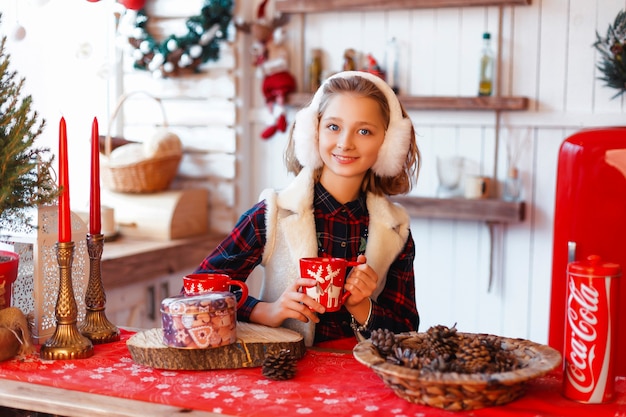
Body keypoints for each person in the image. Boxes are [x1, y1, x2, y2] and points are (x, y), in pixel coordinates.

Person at [194, 70, 421, 346]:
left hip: (361, 379)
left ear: (388, 144)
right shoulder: (271, 215)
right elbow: (196, 290)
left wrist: (363, 307)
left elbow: (408, 331)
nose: (345, 143)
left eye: (364, 131)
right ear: (312, 131)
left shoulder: (396, 231)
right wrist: (266, 310)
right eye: (333, 127)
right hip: (284, 375)